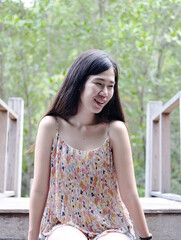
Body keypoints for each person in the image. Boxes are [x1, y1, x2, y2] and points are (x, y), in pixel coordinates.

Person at [28, 49, 152, 240]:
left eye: (110, 86)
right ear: (79, 84)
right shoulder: (51, 126)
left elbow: (129, 192)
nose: (105, 93)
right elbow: (39, 189)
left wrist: (146, 237)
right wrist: (32, 237)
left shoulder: (115, 130)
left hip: (112, 225)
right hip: (64, 224)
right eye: (99, 84)